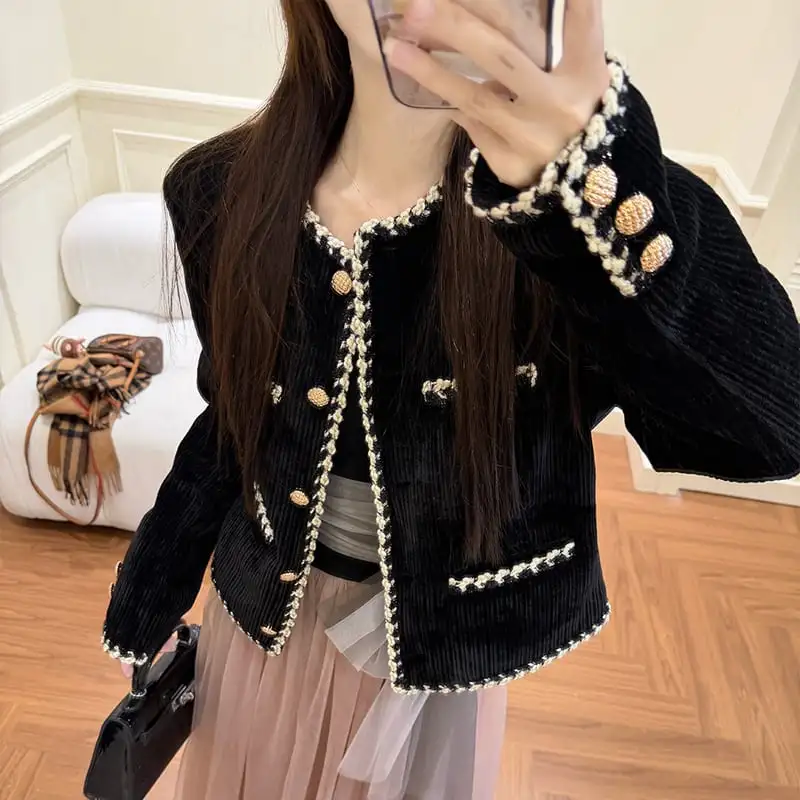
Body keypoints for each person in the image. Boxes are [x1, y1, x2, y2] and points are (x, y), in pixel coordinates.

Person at [102, 1, 800, 798]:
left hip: (438, 659)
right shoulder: (218, 190)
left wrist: (581, 191)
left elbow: (769, 430)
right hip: (257, 626)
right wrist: (149, 594)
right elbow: (230, 426)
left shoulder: (574, 219)